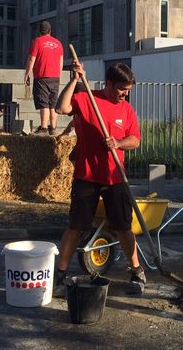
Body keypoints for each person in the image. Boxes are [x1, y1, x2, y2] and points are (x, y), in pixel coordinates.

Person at [53, 62, 146, 294]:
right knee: (75, 227)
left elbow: (135, 139)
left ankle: (136, 271)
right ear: (109, 83)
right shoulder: (86, 99)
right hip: (86, 176)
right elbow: (60, 108)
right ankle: (60, 274)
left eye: (128, 90)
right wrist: (75, 79)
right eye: (122, 89)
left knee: (124, 228)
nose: (125, 94)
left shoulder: (127, 110)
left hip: (115, 177)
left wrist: (119, 143)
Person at [24, 21, 63, 136]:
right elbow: (61, 62)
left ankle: (44, 128)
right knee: (53, 104)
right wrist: (57, 74)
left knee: (44, 103)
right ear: (50, 31)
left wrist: (27, 73)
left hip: (42, 76)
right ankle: (53, 128)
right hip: (55, 77)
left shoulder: (37, 41)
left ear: (40, 31)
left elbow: (32, 59)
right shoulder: (58, 43)